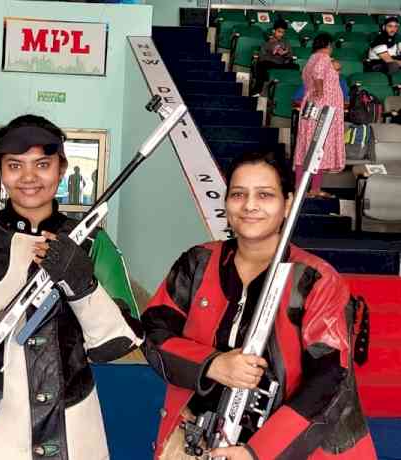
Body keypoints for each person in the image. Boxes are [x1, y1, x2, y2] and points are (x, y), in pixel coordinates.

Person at [0, 114, 143, 460]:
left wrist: (82, 285)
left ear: (62, 169)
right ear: (0, 171)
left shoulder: (93, 243)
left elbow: (120, 342)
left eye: (42, 164)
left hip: (72, 419)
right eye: (15, 165)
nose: (29, 178)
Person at [141, 151, 377, 460]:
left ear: (288, 204)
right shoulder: (197, 262)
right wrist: (213, 364)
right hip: (196, 436)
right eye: (238, 194)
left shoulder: (316, 280)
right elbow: (153, 331)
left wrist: (258, 452)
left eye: (265, 195)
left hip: (288, 449)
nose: (250, 206)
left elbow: (330, 379)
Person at [293, 33, 345, 199]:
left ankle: (301, 188)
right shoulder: (323, 58)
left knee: (306, 146)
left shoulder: (311, 59)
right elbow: (318, 74)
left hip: (311, 107)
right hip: (322, 109)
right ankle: (314, 188)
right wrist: (321, 91)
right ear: (329, 45)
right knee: (319, 145)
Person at [252, 18, 298, 95]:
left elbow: (290, 56)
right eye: (279, 32)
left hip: (281, 64)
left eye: (283, 32)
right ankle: (258, 90)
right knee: (260, 65)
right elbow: (261, 57)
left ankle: (291, 90)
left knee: (295, 66)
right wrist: (271, 53)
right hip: (270, 64)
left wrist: (285, 54)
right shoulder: (267, 43)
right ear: (274, 31)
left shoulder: (286, 42)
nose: (281, 34)